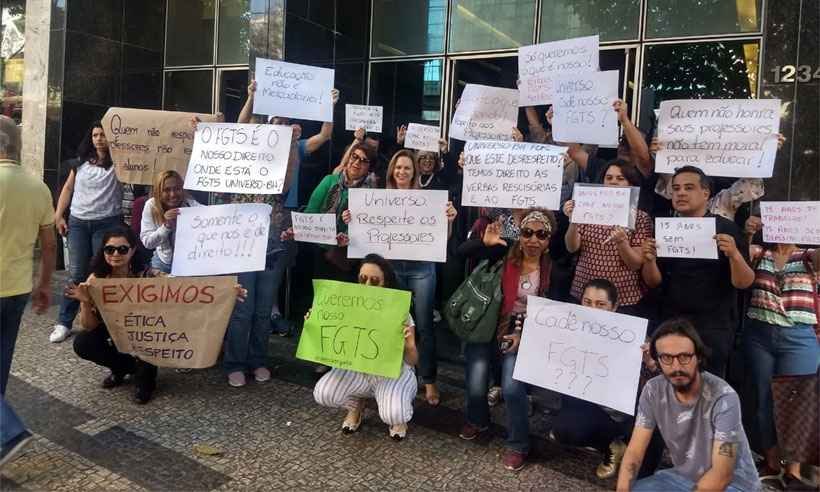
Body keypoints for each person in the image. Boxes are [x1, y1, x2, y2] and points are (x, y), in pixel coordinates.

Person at [341, 150, 457, 406]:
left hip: (422, 268)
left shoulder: (428, 200)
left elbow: (443, 239)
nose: (402, 172)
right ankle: (394, 374)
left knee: (424, 324)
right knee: (391, 323)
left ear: (414, 172)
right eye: (398, 168)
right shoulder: (376, 199)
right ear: (391, 171)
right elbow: (362, 235)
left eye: (407, 168)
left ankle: (428, 379)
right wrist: (350, 219)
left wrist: (448, 221)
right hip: (391, 268)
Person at [459, 209, 558, 472]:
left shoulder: (553, 271)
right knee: (476, 379)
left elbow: (553, 316)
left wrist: (522, 335)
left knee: (512, 387)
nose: (533, 240)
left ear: (549, 239)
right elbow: (462, 252)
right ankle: (478, 420)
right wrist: (485, 243)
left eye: (541, 234)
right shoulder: (504, 255)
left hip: (526, 332)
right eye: (527, 233)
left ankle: (518, 444)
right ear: (520, 234)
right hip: (489, 325)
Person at [616, 318, 759, 492]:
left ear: (698, 357)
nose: (676, 366)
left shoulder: (724, 396)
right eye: (666, 358)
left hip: (734, 486)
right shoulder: (653, 390)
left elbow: (722, 475)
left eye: (684, 357)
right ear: (657, 361)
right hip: (681, 477)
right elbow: (634, 453)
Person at [640, 166, 754, 376]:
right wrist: (649, 261)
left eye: (689, 187)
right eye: (676, 188)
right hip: (671, 325)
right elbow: (653, 282)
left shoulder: (726, 229)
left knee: (708, 394)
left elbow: (744, 283)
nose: (681, 193)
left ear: (705, 193)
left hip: (712, 329)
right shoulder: (666, 229)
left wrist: (735, 256)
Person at [742, 215, 819, 488]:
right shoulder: (760, 252)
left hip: (799, 337)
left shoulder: (808, 256)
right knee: (763, 400)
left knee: (798, 404)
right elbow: (739, 256)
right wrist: (748, 234)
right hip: (759, 335)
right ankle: (772, 461)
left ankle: (794, 470)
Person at [0, 115, 57, 468]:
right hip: (18, 289)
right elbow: (49, 246)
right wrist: (44, 285)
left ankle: (9, 432)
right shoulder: (39, 188)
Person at [313, 254, 419, 440]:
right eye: (363, 279)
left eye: (375, 280)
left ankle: (398, 417)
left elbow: (412, 360)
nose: (368, 285)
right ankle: (356, 405)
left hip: (390, 373)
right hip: (357, 371)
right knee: (324, 394)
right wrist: (314, 326)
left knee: (394, 414)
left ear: (386, 283)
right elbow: (327, 347)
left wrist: (410, 346)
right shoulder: (345, 305)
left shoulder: (400, 311)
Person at [549, 279, 633, 479]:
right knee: (564, 430)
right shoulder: (570, 329)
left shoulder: (630, 337)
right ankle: (605, 440)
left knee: (569, 429)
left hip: (614, 413)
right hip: (580, 400)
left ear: (614, 307)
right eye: (587, 302)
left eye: (601, 304)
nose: (592, 309)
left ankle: (614, 444)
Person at [66, 228, 159, 404]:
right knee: (82, 342)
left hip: (142, 329)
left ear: (132, 250)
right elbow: (88, 326)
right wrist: (85, 302)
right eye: (110, 249)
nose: (115, 254)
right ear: (103, 252)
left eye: (122, 249)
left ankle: (145, 378)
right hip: (112, 329)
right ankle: (123, 368)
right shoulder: (96, 279)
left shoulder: (146, 276)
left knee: (148, 335)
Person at [51, 121, 124, 343]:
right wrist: (59, 214)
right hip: (79, 223)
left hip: (106, 224)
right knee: (77, 274)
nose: (99, 139)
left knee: (102, 273)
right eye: (95, 135)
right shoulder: (80, 163)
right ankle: (63, 322)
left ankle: (102, 322)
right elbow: (68, 188)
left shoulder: (120, 163)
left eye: (103, 134)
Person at [562, 161, 652, 317]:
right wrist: (573, 220)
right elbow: (571, 247)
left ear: (631, 183)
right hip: (585, 292)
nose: (614, 182)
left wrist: (622, 243)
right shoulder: (587, 208)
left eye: (620, 178)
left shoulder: (640, 218)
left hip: (623, 296)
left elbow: (636, 264)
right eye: (609, 177)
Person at [299, 142, 377, 280]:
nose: (357, 162)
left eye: (364, 160)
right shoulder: (330, 181)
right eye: (355, 156)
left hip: (355, 256)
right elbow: (311, 213)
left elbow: (373, 227)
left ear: (369, 168)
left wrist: (354, 223)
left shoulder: (372, 193)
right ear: (348, 158)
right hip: (325, 251)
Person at [139, 170, 200, 273]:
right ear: (158, 191)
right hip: (163, 263)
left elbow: (211, 215)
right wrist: (166, 226)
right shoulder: (152, 206)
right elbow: (148, 243)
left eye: (177, 189)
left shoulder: (190, 204)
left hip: (188, 262)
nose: (173, 194)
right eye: (167, 190)